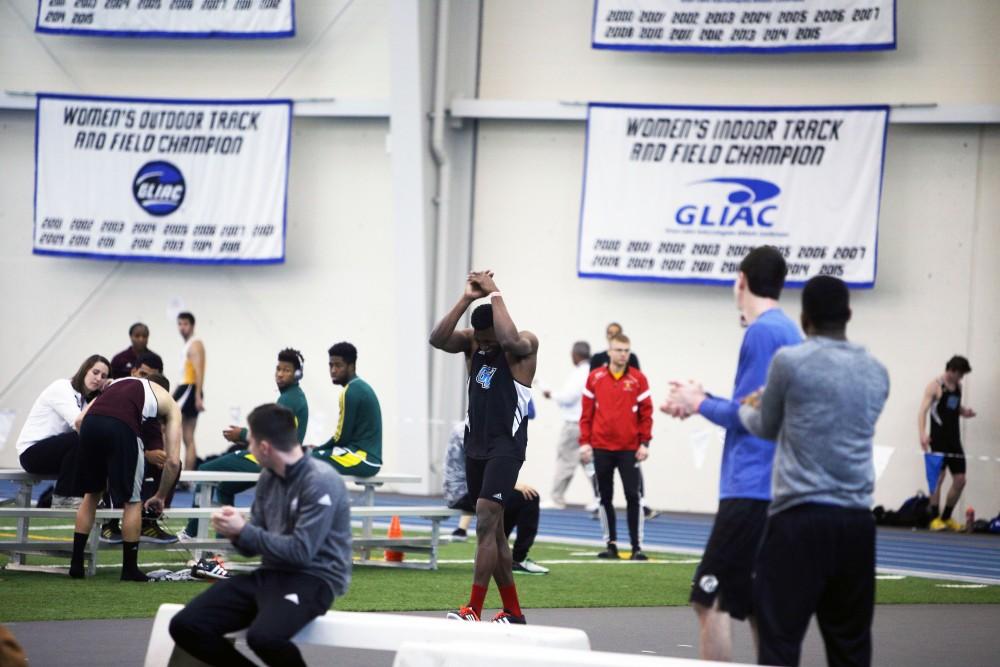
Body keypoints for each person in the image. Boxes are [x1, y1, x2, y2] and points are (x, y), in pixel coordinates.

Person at [738, 276, 889, 667]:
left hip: (800, 519)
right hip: (857, 522)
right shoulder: (877, 372)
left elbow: (766, 427)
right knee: (851, 646)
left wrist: (745, 407)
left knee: (781, 641)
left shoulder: (790, 361)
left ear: (804, 319)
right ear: (849, 315)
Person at [662, 245, 802, 661]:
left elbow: (749, 416)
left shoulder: (762, 333)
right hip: (774, 487)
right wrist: (699, 400)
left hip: (751, 488)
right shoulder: (787, 331)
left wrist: (698, 402)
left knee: (710, 600)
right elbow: (756, 407)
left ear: (740, 280)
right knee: (760, 606)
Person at [168, 403, 352, 667]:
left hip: (315, 579)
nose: (248, 449)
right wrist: (235, 532)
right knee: (186, 625)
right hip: (272, 574)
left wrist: (245, 531)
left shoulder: (321, 480)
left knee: (264, 638)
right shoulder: (268, 478)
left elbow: (301, 553)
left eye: (250, 442)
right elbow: (251, 548)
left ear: (264, 448)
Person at [430, 270, 538, 624]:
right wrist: (466, 298)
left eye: (489, 340)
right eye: (481, 339)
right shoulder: (474, 342)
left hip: (506, 446)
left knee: (486, 520)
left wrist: (495, 293)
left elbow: (509, 341)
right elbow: (437, 339)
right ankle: (514, 613)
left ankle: (473, 609)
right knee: (495, 532)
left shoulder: (522, 346)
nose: (485, 345)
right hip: (475, 444)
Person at [179, 348, 310, 540]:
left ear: (298, 374)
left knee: (205, 471)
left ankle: (191, 532)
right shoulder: (294, 396)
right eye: (278, 369)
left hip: (270, 459)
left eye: (286, 370)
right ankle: (223, 543)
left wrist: (242, 434)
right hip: (277, 459)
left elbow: (272, 436)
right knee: (225, 488)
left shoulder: (289, 398)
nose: (280, 374)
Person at [69, 374, 182, 581]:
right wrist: (160, 496)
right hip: (122, 427)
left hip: (91, 424)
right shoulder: (170, 403)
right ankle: (129, 569)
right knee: (133, 501)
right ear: (164, 390)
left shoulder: (118, 382)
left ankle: (76, 565)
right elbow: (173, 462)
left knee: (91, 495)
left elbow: (78, 421)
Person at [579, 333, 652, 561]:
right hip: (600, 447)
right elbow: (586, 415)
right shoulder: (595, 377)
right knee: (605, 498)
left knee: (634, 496)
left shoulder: (639, 379)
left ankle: (636, 547)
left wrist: (645, 443)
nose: (623, 354)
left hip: (629, 449)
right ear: (609, 351)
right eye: (619, 350)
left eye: (626, 350)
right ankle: (610, 545)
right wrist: (584, 443)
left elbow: (646, 414)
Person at [443, 422, 549, 574]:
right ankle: (517, 559)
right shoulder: (470, 428)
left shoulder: (476, 425)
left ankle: (496, 553)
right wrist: (510, 484)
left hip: (469, 487)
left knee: (516, 500)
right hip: (462, 491)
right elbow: (481, 465)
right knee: (528, 499)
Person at [101, 352, 182, 545]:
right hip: (104, 449)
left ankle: (148, 519)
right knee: (114, 460)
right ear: (133, 371)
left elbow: (170, 459)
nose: (146, 382)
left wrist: (156, 455)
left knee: (170, 464)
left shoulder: (153, 405)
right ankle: (108, 522)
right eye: (143, 375)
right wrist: (145, 454)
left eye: (151, 378)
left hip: (129, 452)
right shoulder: (114, 391)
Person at [16, 355, 110, 507]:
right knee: (82, 437)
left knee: (101, 447)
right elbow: (79, 424)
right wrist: (102, 396)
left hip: (57, 455)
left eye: (104, 376)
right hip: (32, 453)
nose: (99, 378)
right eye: (95, 372)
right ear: (85, 370)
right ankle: (64, 496)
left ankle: (98, 499)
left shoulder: (84, 401)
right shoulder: (61, 387)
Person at [918, 355, 975, 531]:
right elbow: (922, 411)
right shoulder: (934, 386)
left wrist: (963, 411)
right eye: (960, 374)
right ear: (951, 371)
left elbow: (952, 407)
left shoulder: (958, 386)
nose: (961, 378)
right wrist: (922, 434)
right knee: (938, 478)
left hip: (954, 440)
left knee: (960, 480)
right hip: (938, 440)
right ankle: (934, 518)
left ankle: (946, 517)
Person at [311, 342, 382, 478]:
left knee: (305, 459)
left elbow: (341, 437)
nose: (333, 370)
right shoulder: (360, 386)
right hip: (367, 458)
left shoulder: (349, 391)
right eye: (331, 365)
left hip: (361, 459)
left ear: (351, 367)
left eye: (338, 365)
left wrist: (319, 449)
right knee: (311, 457)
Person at [542, 341, 591, 509]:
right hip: (587, 424)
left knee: (565, 460)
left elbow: (569, 397)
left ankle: (556, 498)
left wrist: (552, 395)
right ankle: (601, 497)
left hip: (574, 424)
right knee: (589, 461)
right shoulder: (592, 371)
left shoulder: (580, 373)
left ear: (576, 354)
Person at [173, 311, 206, 475]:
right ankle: (185, 474)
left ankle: (183, 474)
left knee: (167, 425)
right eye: (180, 324)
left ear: (192, 326)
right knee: (187, 435)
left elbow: (199, 371)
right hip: (185, 387)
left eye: (185, 324)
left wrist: (198, 395)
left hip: (189, 388)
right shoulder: (188, 345)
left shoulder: (195, 344)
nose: (182, 327)